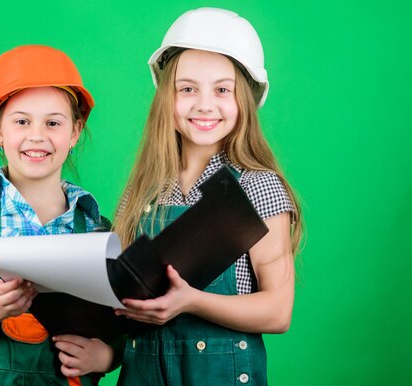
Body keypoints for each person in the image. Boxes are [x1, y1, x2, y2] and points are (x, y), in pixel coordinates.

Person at [113, 8, 303, 385]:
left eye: (222, 89)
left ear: (245, 100)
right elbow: (121, 297)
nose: (203, 104)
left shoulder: (257, 187)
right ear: (167, 97)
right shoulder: (142, 192)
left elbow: (278, 311)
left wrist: (191, 301)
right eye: (187, 89)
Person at [0, 45, 120, 385]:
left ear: (74, 132)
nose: (37, 136)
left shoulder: (96, 229)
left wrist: (107, 356)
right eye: (22, 121)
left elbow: (118, 325)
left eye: (53, 123)